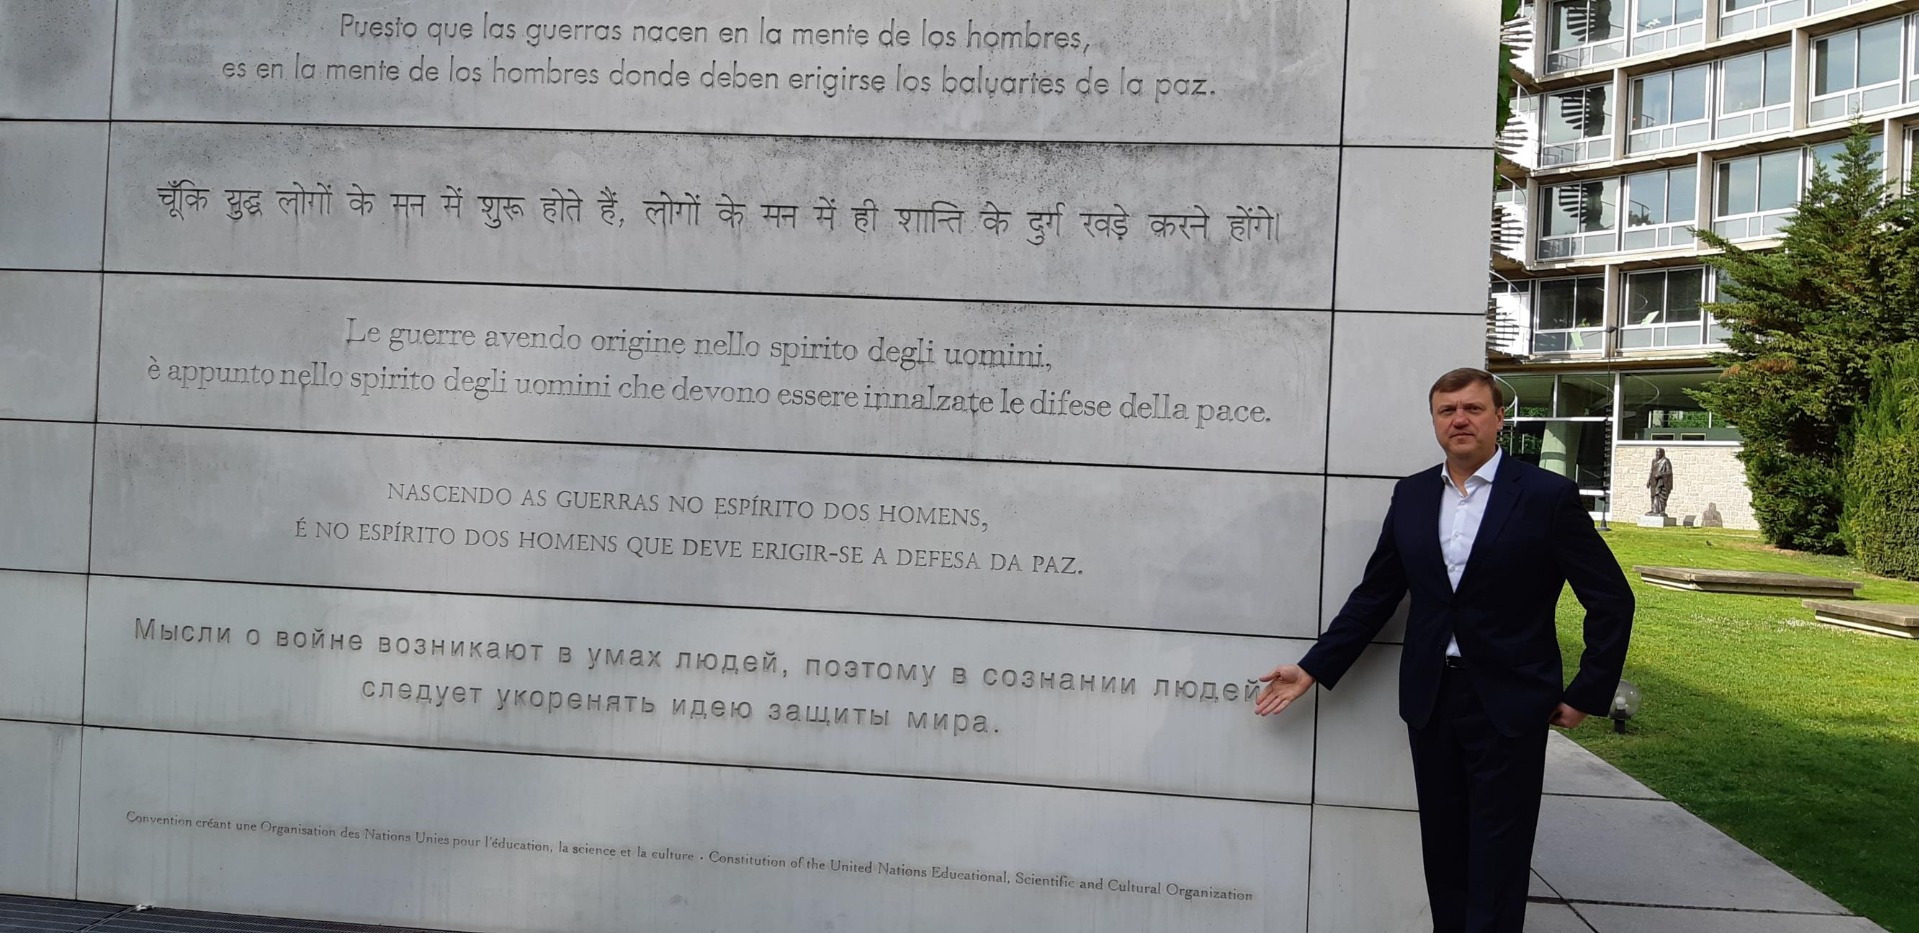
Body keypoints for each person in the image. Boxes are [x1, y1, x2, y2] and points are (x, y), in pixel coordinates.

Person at [1256, 367, 1633, 933]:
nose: (1460, 419)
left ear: (1499, 418)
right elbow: (1376, 594)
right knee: (1444, 849)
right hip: (1432, 700)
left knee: (1500, 856)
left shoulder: (1545, 496)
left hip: (1510, 703)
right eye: (1447, 410)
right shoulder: (1411, 495)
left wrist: (1586, 693)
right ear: (1434, 421)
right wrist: (1313, 667)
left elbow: (1611, 600)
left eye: (1473, 409)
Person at [1645, 448, 1674, 517]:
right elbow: (1651, 471)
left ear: (1662, 453)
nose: (1657, 454)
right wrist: (1649, 480)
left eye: (1659, 452)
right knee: (1653, 496)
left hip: (1661, 482)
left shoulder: (1665, 461)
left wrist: (1661, 474)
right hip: (1653, 482)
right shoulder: (1654, 461)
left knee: (1660, 496)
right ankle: (1654, 510)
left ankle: (1661, 511)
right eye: (1656, 452)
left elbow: (1669, 472)